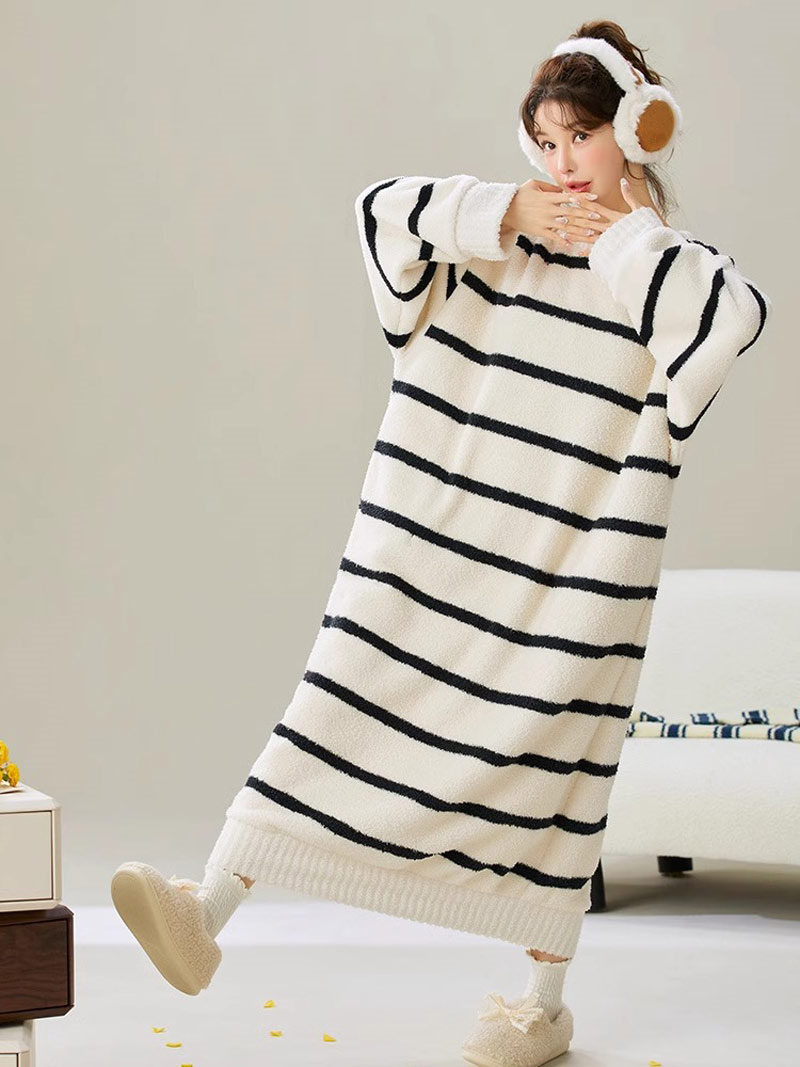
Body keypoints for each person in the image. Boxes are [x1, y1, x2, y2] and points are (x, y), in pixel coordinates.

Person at [111, 18, 773, 1067]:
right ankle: (206, 912)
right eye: (543, 143)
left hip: (571, 585)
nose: (561, 163)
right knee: (339, 703)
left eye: (581, 137)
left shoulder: (670, 274)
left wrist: (618, 236)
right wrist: (500, 211)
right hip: (433, 550)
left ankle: (538, 1006)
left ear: (638, 131)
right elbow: (380, 214)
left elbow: (728, 318)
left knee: (558, 771)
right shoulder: (489, 247)